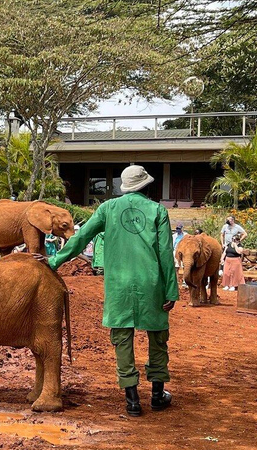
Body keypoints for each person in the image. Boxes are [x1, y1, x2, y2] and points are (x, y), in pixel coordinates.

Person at [46, 165, 177, 417]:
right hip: (152, 284)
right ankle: (158, 395)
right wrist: (171, 290)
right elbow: (165, 254)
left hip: (119, 285)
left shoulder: (107, 209)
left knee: (122, 339)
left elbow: (81, 237)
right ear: (146, 186)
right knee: (158, 338)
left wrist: (55, 261)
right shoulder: (158, 210)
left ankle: (133, 401)